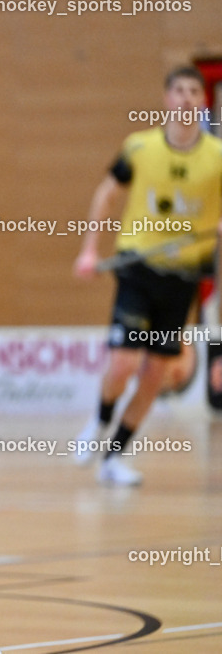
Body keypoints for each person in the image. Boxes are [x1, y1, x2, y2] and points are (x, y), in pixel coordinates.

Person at [73, 65, 222, 486]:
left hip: (184, 278)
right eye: (179, 91)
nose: (187, 98)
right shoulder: (139, 147)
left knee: (155, 375)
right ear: (166, 99)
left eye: (195, 91)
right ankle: (98, 422)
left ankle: (113, 458)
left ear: (203, 100)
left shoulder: (217, 158)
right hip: (139, 268)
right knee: (122, 364)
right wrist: (89, 250)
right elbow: (107, 193)